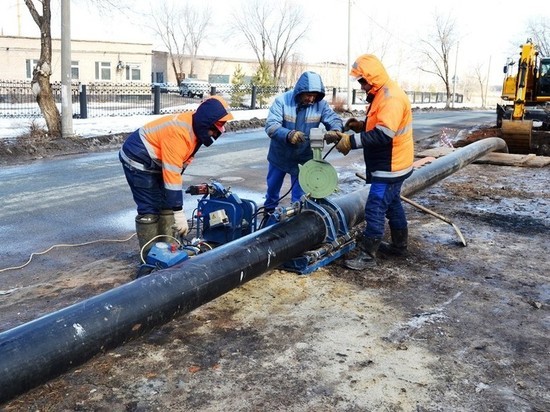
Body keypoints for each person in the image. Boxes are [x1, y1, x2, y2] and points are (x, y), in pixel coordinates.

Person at [324, 54, 415, 270]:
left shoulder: (390, 97)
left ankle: (367, 255)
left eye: (363, 81)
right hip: (393, 163)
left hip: (390, 164)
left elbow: (384, 135)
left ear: (372, 78)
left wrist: (350, 141)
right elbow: (380, 124)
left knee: (375, 207)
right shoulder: (382, 93)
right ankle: (400, 245)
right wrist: (361, 126)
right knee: (392, 204)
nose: (362, 86)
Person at [119, 96, 234, 256]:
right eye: (214, 129)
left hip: (159, 160)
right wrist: (179, 212)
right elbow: (172, 172)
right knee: (150, 207)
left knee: (167, 204)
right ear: (206, 122)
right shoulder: (179, 132)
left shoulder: (196, 131)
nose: (215, 133)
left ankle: (169, 251)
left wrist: (173, 203)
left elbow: (179, 166)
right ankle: (150, 259)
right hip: (138, 157)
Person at [264, 71, 343, 213]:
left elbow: (334, 119)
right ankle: (267, 214)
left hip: (304, 160)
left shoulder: (321, 105)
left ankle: (296, 224)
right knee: (272, 192)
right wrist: (288, 135)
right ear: (300, 91)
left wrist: (335, 129)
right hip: (280, 156)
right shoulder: (282, 101)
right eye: (308, 95)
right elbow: (271, 126)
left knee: (300, 199)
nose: (311, 99)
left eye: (314, 96)